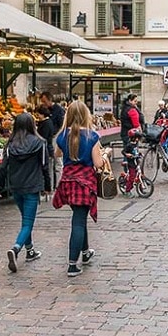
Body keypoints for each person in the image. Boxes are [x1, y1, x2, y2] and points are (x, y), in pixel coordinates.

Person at [52, 101, 110, 277]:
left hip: (68, 181)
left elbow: (57, 155)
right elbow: (98, 163)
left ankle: (85, 253)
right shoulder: (92, 136)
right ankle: (72, 264)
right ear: (86, 115)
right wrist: (105, 154)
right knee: (78, 221)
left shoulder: (62, 136)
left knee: (79, 216)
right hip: (85, 182)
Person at [0, 113, 51, 273]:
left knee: (25, 220)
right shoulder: (39, 143)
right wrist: (47, 186)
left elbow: (3, 167)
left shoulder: (10, 144)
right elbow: (44, 166)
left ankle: (30, 251)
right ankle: (16, 249)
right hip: (32, 186)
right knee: (28, 222)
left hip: (16, 187)